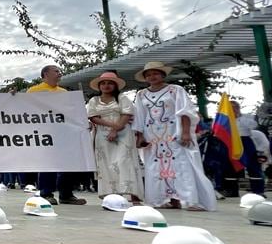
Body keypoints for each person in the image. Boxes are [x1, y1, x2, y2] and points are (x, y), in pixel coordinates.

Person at [132, 61, 216, 211]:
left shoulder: (175, 90)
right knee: (156, 166)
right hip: (152, 137)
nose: (152, 76)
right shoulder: (141, 94)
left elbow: (184, 112)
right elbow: (139, 116)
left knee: (181, 164)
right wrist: (139, 137)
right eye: (149, 74)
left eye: (156, 73)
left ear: (163, 74)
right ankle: (164, 199)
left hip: (173, 134)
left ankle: (189, 200)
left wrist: (185, 132)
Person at [27, 65, 86, 205]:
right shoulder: (33, 91)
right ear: (45, 74)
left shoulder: (64, 92)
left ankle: (66, 195)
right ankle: (46, 193)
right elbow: (24, 109)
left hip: (64, 133)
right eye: (56, 71)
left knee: (67, 164)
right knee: (48, 164)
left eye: (60, 71)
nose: (60, 73)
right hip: (44, 133)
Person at [85, 71, 141, 202]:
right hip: (102, 135)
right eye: (103, 83)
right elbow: (93, 117)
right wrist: (111, 125)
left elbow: (127, 115)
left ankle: (132, 194)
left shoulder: (122, 98)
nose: (106, 86)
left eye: (110, 83)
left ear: (116, 85)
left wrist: (115, 129)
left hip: (123, 134)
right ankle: (112, 196)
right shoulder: (94, 100)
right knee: (106, 163)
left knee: (124, 162)